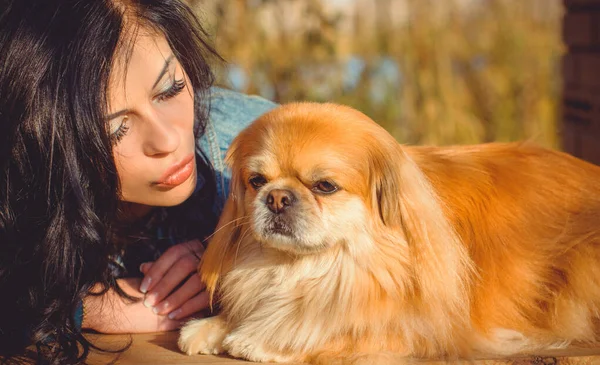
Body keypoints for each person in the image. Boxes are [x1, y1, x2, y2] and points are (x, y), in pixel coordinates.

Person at [0, 0, 276, 364]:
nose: (168, 140)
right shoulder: (17, 182)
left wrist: (239, 276)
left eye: (170, 90)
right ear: (40, 145)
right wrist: (89, 306)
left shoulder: (261, 149)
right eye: (117, 129)